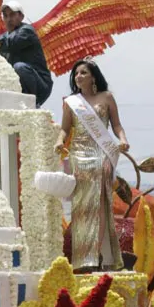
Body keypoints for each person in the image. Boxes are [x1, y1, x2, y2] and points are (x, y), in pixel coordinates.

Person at [52, 59, 128, 272]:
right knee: (83, 205)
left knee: (100, 202)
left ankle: (97, 254)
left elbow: (117, 125)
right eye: (76, 74)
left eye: (83, 72)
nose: (79, 76)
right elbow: (65, 129)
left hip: (103, 153)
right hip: (80, 154)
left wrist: (122, 139)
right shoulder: (71, 102)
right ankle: (83, 258)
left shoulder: (107, 97)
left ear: (93, 76)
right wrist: (59, 141)